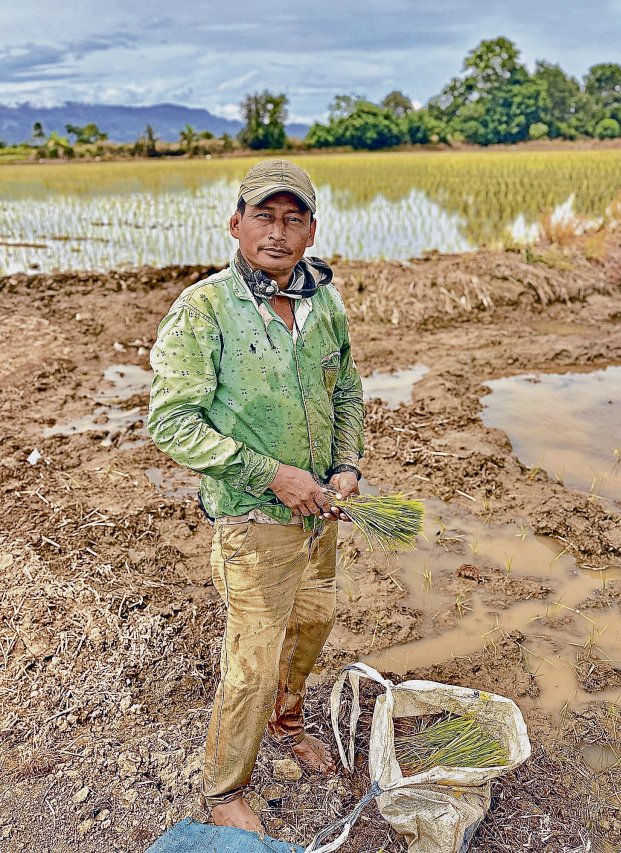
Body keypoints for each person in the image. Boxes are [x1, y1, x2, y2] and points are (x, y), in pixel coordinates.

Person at [147, 159, 365, 834]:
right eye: (263, 216)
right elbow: (171, 421)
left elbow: (348, 391)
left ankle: (288, 720)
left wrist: (345, 464)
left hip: (320, 514)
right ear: (236, 223)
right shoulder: (205, 309)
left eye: (292, 217)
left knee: (311, 625)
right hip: (253, 520)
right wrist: (272, 474)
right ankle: (222, 788)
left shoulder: (323, 302)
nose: (278, 231)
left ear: (311, 228)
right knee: (250, 659)